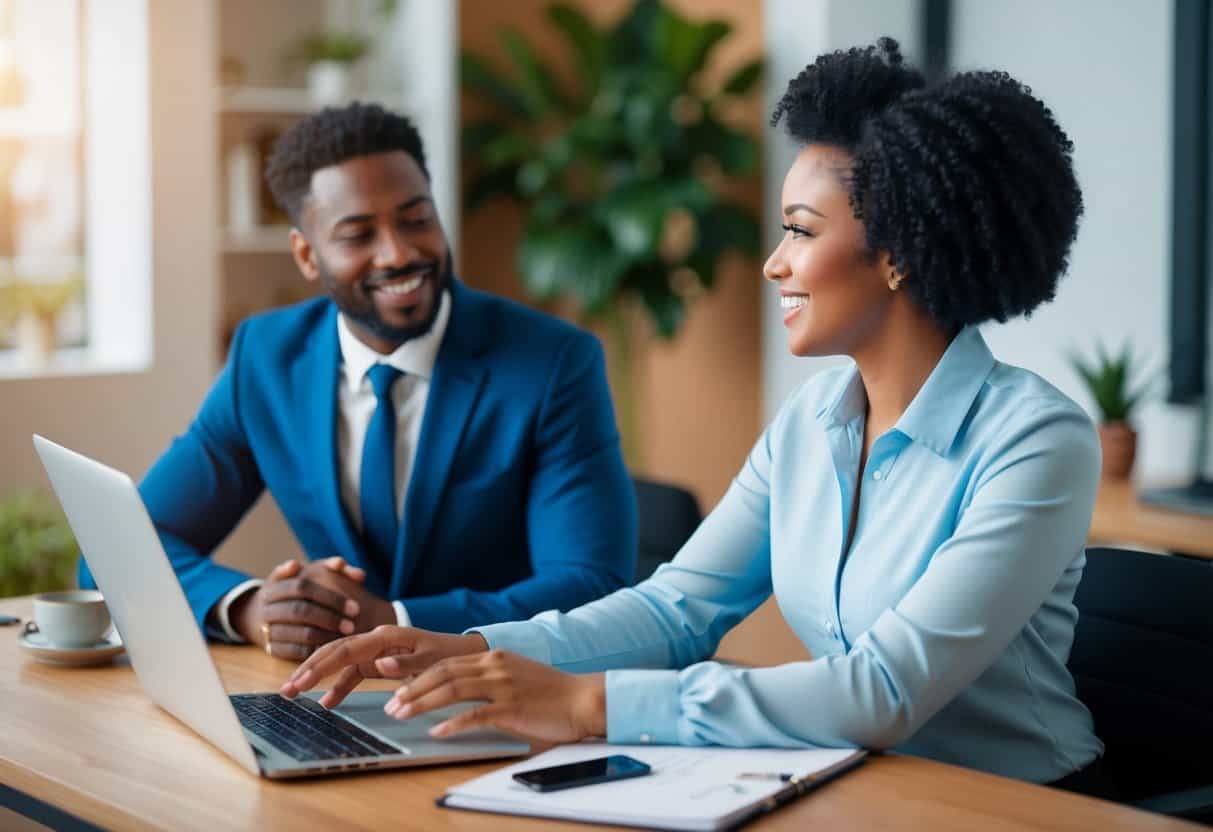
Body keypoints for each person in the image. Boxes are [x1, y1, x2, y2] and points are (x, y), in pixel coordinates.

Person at [281, 40, 1109, 792]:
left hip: (1021, 807)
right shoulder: (810, 420)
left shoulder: (1036, 443)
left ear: (897, 254)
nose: (772, 262)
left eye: (798, 230)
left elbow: (882, 691)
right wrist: (480, 650)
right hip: (865, 787)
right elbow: (676, 608)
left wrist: (586, 703)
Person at [79, 102, 636, 659]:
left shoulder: (554, 363)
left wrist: (393, 620)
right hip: (334, 706)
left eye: (417, 219)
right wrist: (251, 608)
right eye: (358, 235)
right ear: (306, 254)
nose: (399, 253)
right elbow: (115, 550)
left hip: (505, 695)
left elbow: (592, 588)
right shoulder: (267, 360)